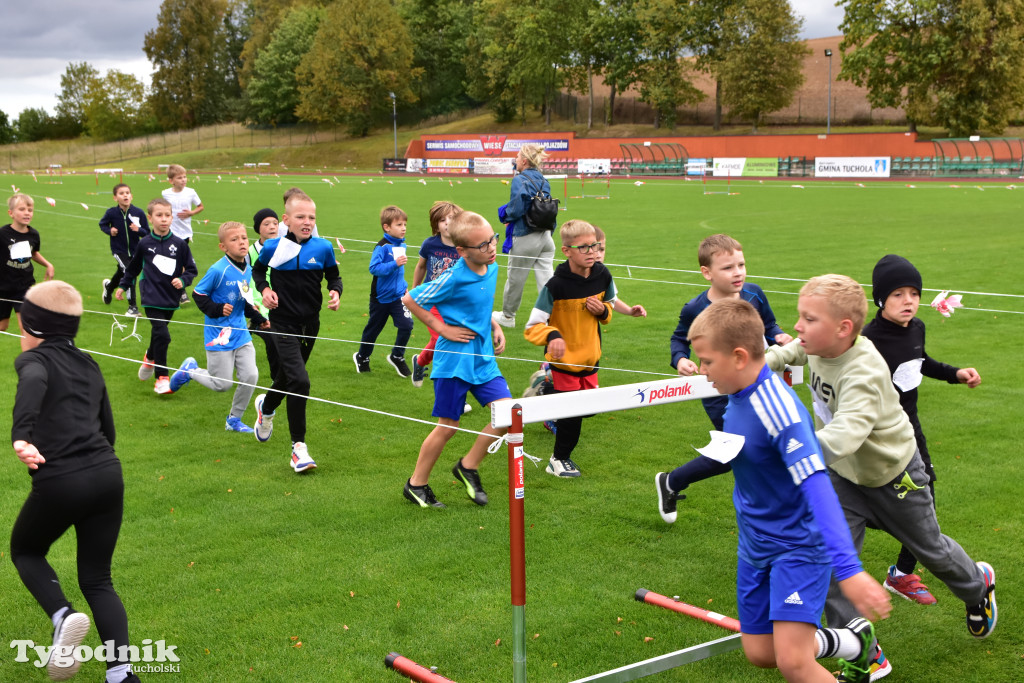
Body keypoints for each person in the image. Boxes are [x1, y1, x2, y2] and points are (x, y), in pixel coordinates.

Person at [765, 274, 997, 679]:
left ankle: (978, 587)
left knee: (931, 550)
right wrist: (754, 366)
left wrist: (789, 453)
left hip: (894, 476)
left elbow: (846, 433)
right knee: (835, 558)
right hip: (844, 477)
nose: (798, 326)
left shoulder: (864, 371)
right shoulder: (821, 344)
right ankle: (863, 650)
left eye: (809, 318)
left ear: (843, 329)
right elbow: (792, 352)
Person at [687, 298, 891, 683]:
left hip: (798, 547)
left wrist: (849, 571)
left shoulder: (780, 412)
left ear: (739, 356)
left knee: (794, 663)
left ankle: (838, 645)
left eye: (708, 361)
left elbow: (820, 491)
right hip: (754, 545)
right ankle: (854, 642)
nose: (702, 370)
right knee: (761, 653)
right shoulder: (737, 393)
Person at [10, 280, 141, 683]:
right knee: (98, 578)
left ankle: (62, 615)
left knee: (26, 551)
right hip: (107, 475)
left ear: (33, 327)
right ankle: (122, 674)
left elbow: (33, 382)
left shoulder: (33, 361)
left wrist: (22, 434)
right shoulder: (89, 363)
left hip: (62, 481)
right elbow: (109, 430)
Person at [863, 255, 982, 605]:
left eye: (913, 293)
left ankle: (901, 573)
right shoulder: (868, 340)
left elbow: (921, 362)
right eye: (898, 294)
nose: (908, 301)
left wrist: (955, 373)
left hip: (910, 431)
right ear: (881, 299)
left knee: (924, 494)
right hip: (874, 433)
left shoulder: (916, 328)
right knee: (871, 501)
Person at [656, 234, 792, 522]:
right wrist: (680, 358)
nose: (738, 272)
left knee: (745, 448)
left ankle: (672, 481)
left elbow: (768, 324)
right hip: (717, 391)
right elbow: (679, 339)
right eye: (728, 268)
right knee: (738, 449)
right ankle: (764, 510)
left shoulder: (754, 294)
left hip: (756, 384)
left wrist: (778, 336)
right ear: (707, 273)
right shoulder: (695, 308)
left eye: (741, 264)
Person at [401, 211, 511, 508]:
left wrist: (494, 326)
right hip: (453, 363)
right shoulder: (453, 276)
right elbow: (410, 299)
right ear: (461, 251)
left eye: (493, 240)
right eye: (482, 245)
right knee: (448, 426)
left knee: (508, 414)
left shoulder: (492, 267)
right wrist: (440, 328)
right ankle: (416, 485)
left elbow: (480, 305)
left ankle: (469, 466)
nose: (491, 248)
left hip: (483, 360)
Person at [251, 192, 342, 473]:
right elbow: (257, 273)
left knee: (288, 376)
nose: (307, 222)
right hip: (282, 324)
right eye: (300, 217)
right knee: (300, 381)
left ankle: (266, 407)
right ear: (286, 220)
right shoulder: (272, 248)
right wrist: (265, 290)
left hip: (310, 324)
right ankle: (298, 448)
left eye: (311, 217)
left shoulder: (323, 248)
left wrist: (335, 292)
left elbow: (334, 276)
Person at [524, 219, 615, 478]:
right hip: (564, 361)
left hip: (590, 357)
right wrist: (552, 334)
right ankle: (558, 460)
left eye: (595, 246)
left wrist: (603, 311)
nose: (592, 252)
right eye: (583, 247)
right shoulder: (556, 286)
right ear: (567, 251)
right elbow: (532, 326)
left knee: (590, 409)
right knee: (573, 415)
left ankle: (546, 388)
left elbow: (609, 307)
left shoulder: (603, 275)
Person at [168, 221, 269, 433]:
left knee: (251, 376)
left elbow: (245, 298)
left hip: (241, 333)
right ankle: (190, 371)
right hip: (219, 336)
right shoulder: (218, 270)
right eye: (234, 239)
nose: (241, 242)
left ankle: (234, 420)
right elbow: (198, 294)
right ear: (223, 246)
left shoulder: (247, 268)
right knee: (222, 384)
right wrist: (216, 309)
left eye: (243, 238)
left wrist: (259, 319)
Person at [115, 197, 198, 395]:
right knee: (163, 335)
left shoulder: (180, 244)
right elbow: (133, 268)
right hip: (150, 295)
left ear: (171, 218)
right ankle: (162, 377)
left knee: (159, 334)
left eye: (167, 215)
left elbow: (192, 270)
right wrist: (122, 285)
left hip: (170, 297)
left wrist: (183, 280)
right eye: (159, 215)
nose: (164, 219)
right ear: (150, 218)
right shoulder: (144, 244)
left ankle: (149, 357)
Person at [493, 143, 556, 328]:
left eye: (518, 156)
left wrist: (506, 215)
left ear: (524, 161)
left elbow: (517, 206)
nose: (515, 160)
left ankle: (508, 316)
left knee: (515, 278)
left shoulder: (520, 179)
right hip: (546, 236)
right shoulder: (544, 180)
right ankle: (553, 315)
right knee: (547, 279)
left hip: (526, 235)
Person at [353, 205, 414, 377]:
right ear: (387, 227)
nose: (404, 228)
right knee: (373, 330)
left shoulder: (402, 244)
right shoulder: (382, 247)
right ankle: (362, 357)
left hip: (398, 297)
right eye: (399, 225)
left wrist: (404, 287)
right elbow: (374, 268)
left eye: (405, 225)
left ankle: (397, 356)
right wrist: (394, 264)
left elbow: (399, 273)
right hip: (380, 299)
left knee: (407, 325)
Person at [410, 201, 462, 388]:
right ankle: (450, 391)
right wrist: (415, 290)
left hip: (455, 303)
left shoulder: (463, 247)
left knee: (446, 340)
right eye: (442, 220)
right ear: (435, 225)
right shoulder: (430, 244)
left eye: (452, 218)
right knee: (442, 339)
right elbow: (421, 266)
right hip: (431, 301)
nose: (447, 223)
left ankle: (421, 361)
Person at [1, 193, 54, 333]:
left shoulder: (33, 235)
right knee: (2, 326)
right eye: (22, 209)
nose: (27, 213)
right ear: (11, 213)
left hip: (24, 285)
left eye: (30, 210)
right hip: (3, 287)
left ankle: (29, 354)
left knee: (27, 328)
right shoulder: (2, 234)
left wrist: (48, 264)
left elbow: (33, 253)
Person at [99, 183, 149, 317]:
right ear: (115, 198)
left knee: (122, 272)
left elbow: (147, 232)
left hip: (135, 251)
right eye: (121, 193)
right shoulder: (111, 213)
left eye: (127, 193)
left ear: (131, 196)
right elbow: (102, 224)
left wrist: (139, 230)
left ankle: (109, 288)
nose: (125, 195)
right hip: (118, 250)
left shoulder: (138, 213)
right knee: (129, 272)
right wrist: (110, 230)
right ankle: (132, 307)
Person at [161, 164, 203, 305]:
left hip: (185, 233)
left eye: (185, 177)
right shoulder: (165, 193)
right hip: (170, 232)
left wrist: (191, 213)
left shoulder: (191, 192)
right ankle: (180, 291)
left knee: (180, 261)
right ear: (171, 180)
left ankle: (179, 286)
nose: (183, 180)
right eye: (179, 178)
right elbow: (163, 209)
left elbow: (201, 206)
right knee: (172, 259)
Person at [247, 208, 280, 383]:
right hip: (258, 303)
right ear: (258, 229)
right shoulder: (250, 252)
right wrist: (249, 302)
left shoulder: (285, 247)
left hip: (279, 302)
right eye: (266, 224)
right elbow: (243, 279)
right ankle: (278, 379)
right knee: (273, 341)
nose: (272, 227)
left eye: (275, 223)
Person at [593, 226, 646, 318]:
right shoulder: (567, 275)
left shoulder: (604, 275)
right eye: (594, 249)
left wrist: (630, 311)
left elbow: (612, 299)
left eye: (601, 250)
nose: (598, 255)